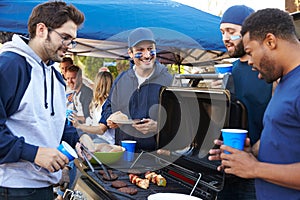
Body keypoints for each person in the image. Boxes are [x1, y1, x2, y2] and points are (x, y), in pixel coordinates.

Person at [210, 8, 300, 200]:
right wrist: (248, 152)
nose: (249, 62)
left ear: (270, 41)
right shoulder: (284, 81)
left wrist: (255, 168)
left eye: (250, 52)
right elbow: (280, 135)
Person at [0, 1, 84, 199]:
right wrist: (34, 153)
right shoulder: (10, 66)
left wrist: (79, 139)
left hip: (44, 188)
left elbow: (53, 122)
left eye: (72, 40)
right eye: (64, 38)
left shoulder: (55, 75)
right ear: (41, 30)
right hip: (13, 190)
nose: (69, 47)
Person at [212, 5, 273, 200]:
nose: (225, 38)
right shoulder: (230, 71)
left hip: (262, 170)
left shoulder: (271, 71)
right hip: (227, 168)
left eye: (231, 31)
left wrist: (254, 155)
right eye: (222, 32)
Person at [100, 27, 173, 152]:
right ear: (130, 53)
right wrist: (111, 117)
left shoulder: (168, 81)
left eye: (150, 49)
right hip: (122, 153)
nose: (146, 55)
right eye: (140, 50)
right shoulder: (121, 79)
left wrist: (158, 126)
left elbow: (179, 122)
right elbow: (107, 108)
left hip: (155, 157)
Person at [72, 71, 115, 144]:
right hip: (98, 137)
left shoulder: (109, 104)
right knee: (74, 135)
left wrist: (79, 126)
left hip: (106, 141)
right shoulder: (98, 103)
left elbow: (101, 130)